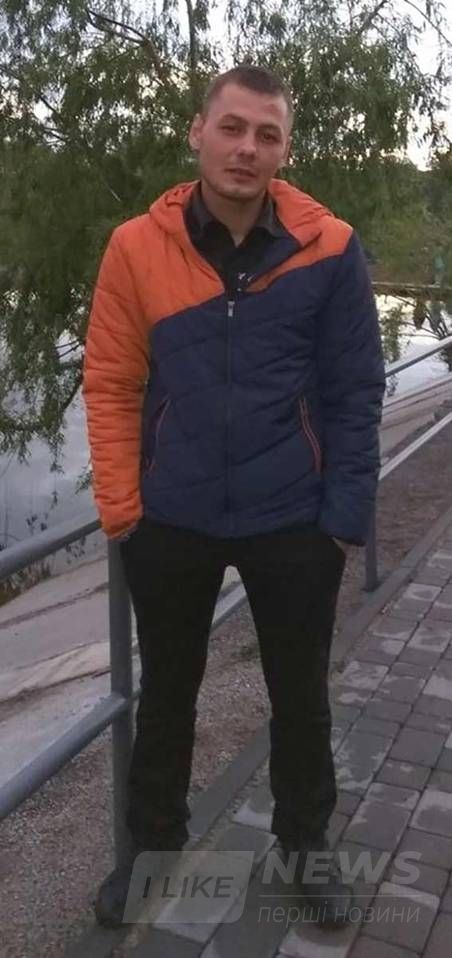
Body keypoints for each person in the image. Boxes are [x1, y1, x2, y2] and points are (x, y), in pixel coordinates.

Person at [82, 63, 386, 930]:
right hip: (170, 518)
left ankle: (305, 846)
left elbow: (356, 391)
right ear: (197, 131)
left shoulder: (330, 248)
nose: (247, 148)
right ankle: (152, 848)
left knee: (301, 697)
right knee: (166, 695)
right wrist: (124, 510)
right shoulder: (135, 248)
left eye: (267, 134)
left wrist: (341, 523)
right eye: (233, 128)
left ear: (285, 149)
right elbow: (111, 381)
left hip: (292, 516)